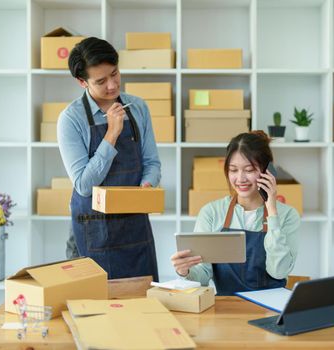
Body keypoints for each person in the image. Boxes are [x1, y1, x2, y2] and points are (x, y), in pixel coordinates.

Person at [57, 37, 161, 281]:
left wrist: (147, 185)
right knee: (95, 310)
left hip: (135, 226)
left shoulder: (138, 107)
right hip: (93, 229)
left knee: (143, 308)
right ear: (82, 82)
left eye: (115, 74)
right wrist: (112, 134)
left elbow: (152, 163)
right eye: (101, 81)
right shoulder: (70, 120)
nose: (113, 86)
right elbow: (83, 185)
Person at [170, 131, 300, 295]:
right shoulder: (211, 213)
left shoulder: (288, 215)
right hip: (227, 309)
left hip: (270, 310)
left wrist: (272, 211)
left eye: (249, 170)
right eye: (233, 170)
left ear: (268, 172)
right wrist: (185, 271)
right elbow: (202, 276)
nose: (240, 178)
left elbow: (279, 272)